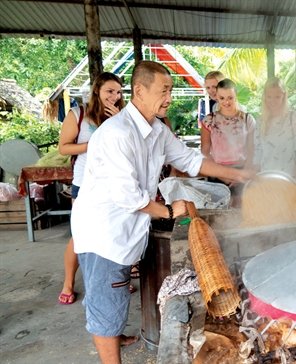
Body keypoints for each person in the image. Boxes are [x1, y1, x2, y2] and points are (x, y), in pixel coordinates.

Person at [71, 61, 254, 363]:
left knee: (113, 300)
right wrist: (169, 210)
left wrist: (240, 175)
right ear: (139, 91)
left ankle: (114, 336)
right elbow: (128, 197)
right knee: (106, 308)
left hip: (125, 231)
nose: (169, 97)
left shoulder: (156, 130)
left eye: (170, 90)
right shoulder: (119, 133)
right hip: (105, 234)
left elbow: (190, 160)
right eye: (164, 90)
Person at [57, 72, 125, 305]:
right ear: (96, 90)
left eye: (118, 92)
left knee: (110, 235)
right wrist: (95, 142)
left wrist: (119, 123)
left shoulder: (121, 115)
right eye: (109, 91)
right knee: (80, 236)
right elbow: (64, 149)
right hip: (85, 186)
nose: (114, 97)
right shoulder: (79, 114)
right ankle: (68, 282)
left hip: (113, 185)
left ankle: (107, 282)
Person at [200, 78, 256, 203]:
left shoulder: (248, 119)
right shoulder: (209, 120)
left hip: (243, 171)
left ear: (236, 95)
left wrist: (243, 174)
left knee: (244, 212)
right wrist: (221, 175)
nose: (226, 102)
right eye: (222, 98)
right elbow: (204, 152)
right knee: (220, 214)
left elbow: (252, 150)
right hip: (216, 172)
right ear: (217, 97)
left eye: (230, 97)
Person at [252, 77, 296, 182]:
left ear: (284, 96)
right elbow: (258, 151)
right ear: (264, 97)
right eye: (269, 97)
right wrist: (253, 177)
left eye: (277, 97)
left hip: (290, 178)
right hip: (265, 178)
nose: (273, 101)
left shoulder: (294, 118)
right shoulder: (260, 120)